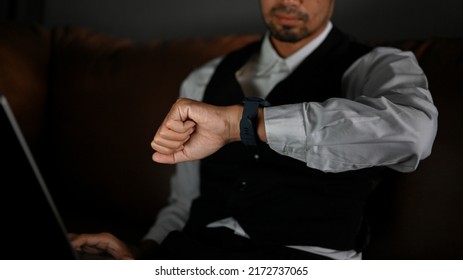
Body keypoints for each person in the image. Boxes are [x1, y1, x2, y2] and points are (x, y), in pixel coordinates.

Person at [69, 0, 438, 260]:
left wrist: (240, 124)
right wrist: (142, 253)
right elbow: (184, 201)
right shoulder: (203, 79)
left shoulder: (377, 66)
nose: (289, 0)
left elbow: (413, 132)